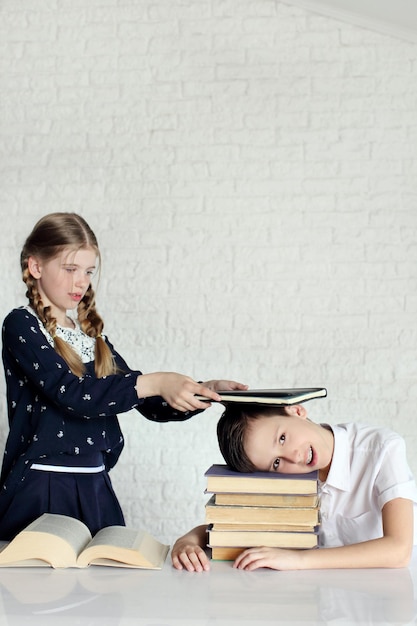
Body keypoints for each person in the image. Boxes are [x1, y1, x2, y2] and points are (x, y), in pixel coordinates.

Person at [0, 212, 247, 541]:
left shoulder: (90, 336)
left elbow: (146, 402)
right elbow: (72, 393)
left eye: (89, 271)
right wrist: (158, 381)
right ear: (36, 267)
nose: (81, 282)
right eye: (70, 269)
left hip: (96, 485)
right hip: (43, 485)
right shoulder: (21, 325)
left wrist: (200, 390)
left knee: (101, 584)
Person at [171, 403, 417, 571]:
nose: (292, 457)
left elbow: (399, 550)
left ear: (297, 410)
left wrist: (298, 559)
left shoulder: (381, 448)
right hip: (314, 599)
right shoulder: (287, 477)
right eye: (276, 462)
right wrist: (191, 539)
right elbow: (240, 527)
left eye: (282, 438)